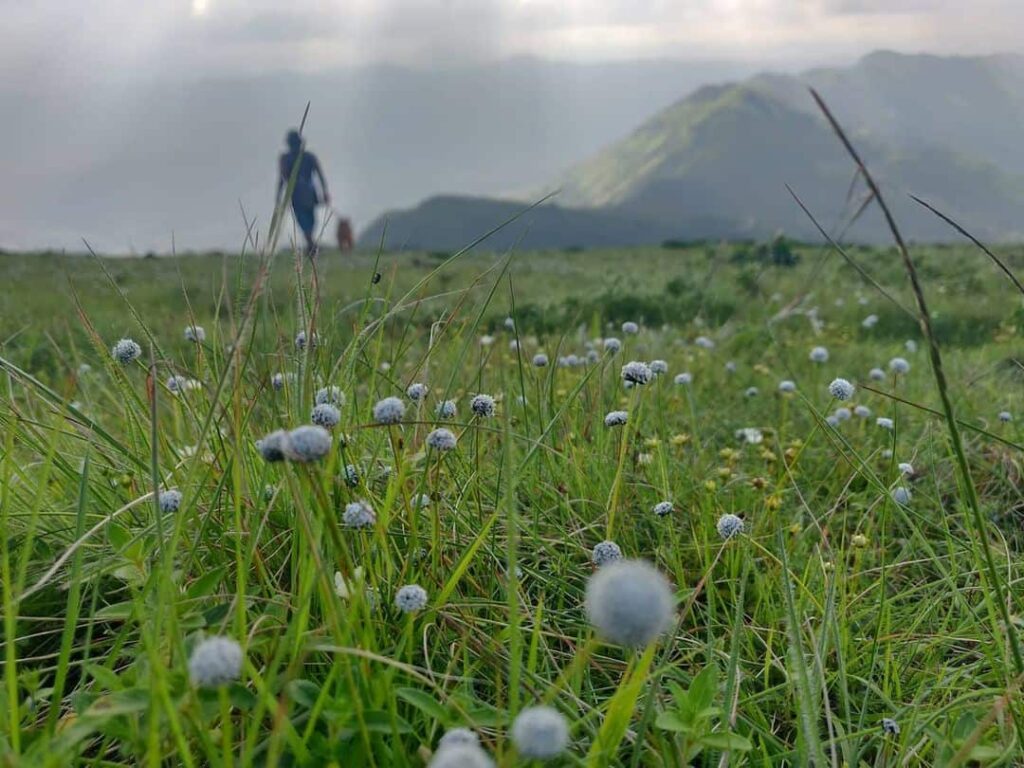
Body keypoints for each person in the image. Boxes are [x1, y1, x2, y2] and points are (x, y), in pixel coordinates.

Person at [277, 129, 329, 256]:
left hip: (301, 196)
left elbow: (282, 180)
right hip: (305, 195)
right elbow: (282, 179)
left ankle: (311, 246)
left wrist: (279, 197)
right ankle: (312, 246)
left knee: (308, 223)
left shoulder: (302, 157)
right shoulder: (289, 158)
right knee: (306, 223)